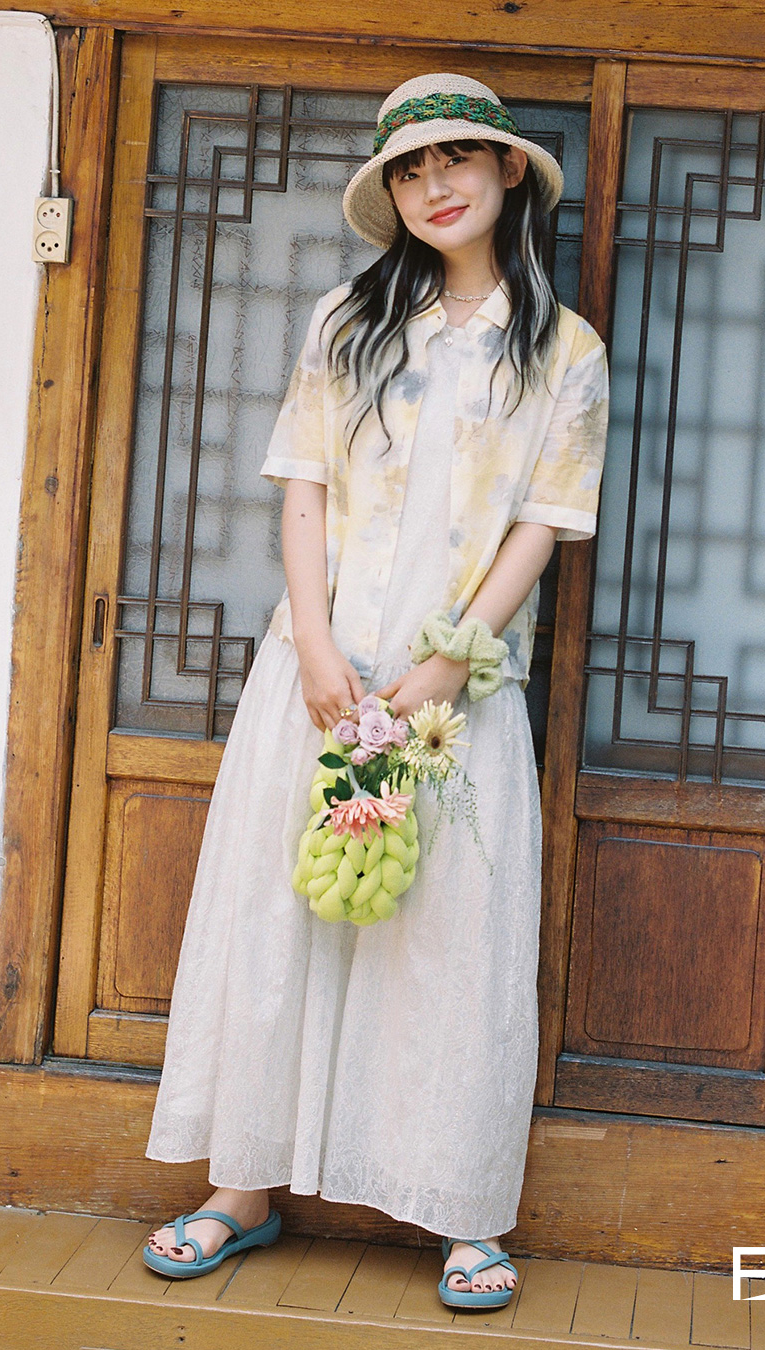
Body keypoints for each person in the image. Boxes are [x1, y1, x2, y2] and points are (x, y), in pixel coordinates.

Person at [140, 71, 609, 1309]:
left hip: (457, 693)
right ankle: (241, 1192)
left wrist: (448, 661)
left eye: (456, 159)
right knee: (278, 919)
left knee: (449, 942)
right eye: (409, 170)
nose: (434, 185)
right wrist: (312, 645)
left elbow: (543, 524)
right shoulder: (344, 321)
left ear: (507, 172)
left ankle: (462, 1212)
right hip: (323, 676)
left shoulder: (565, 351)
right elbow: (301, 486)